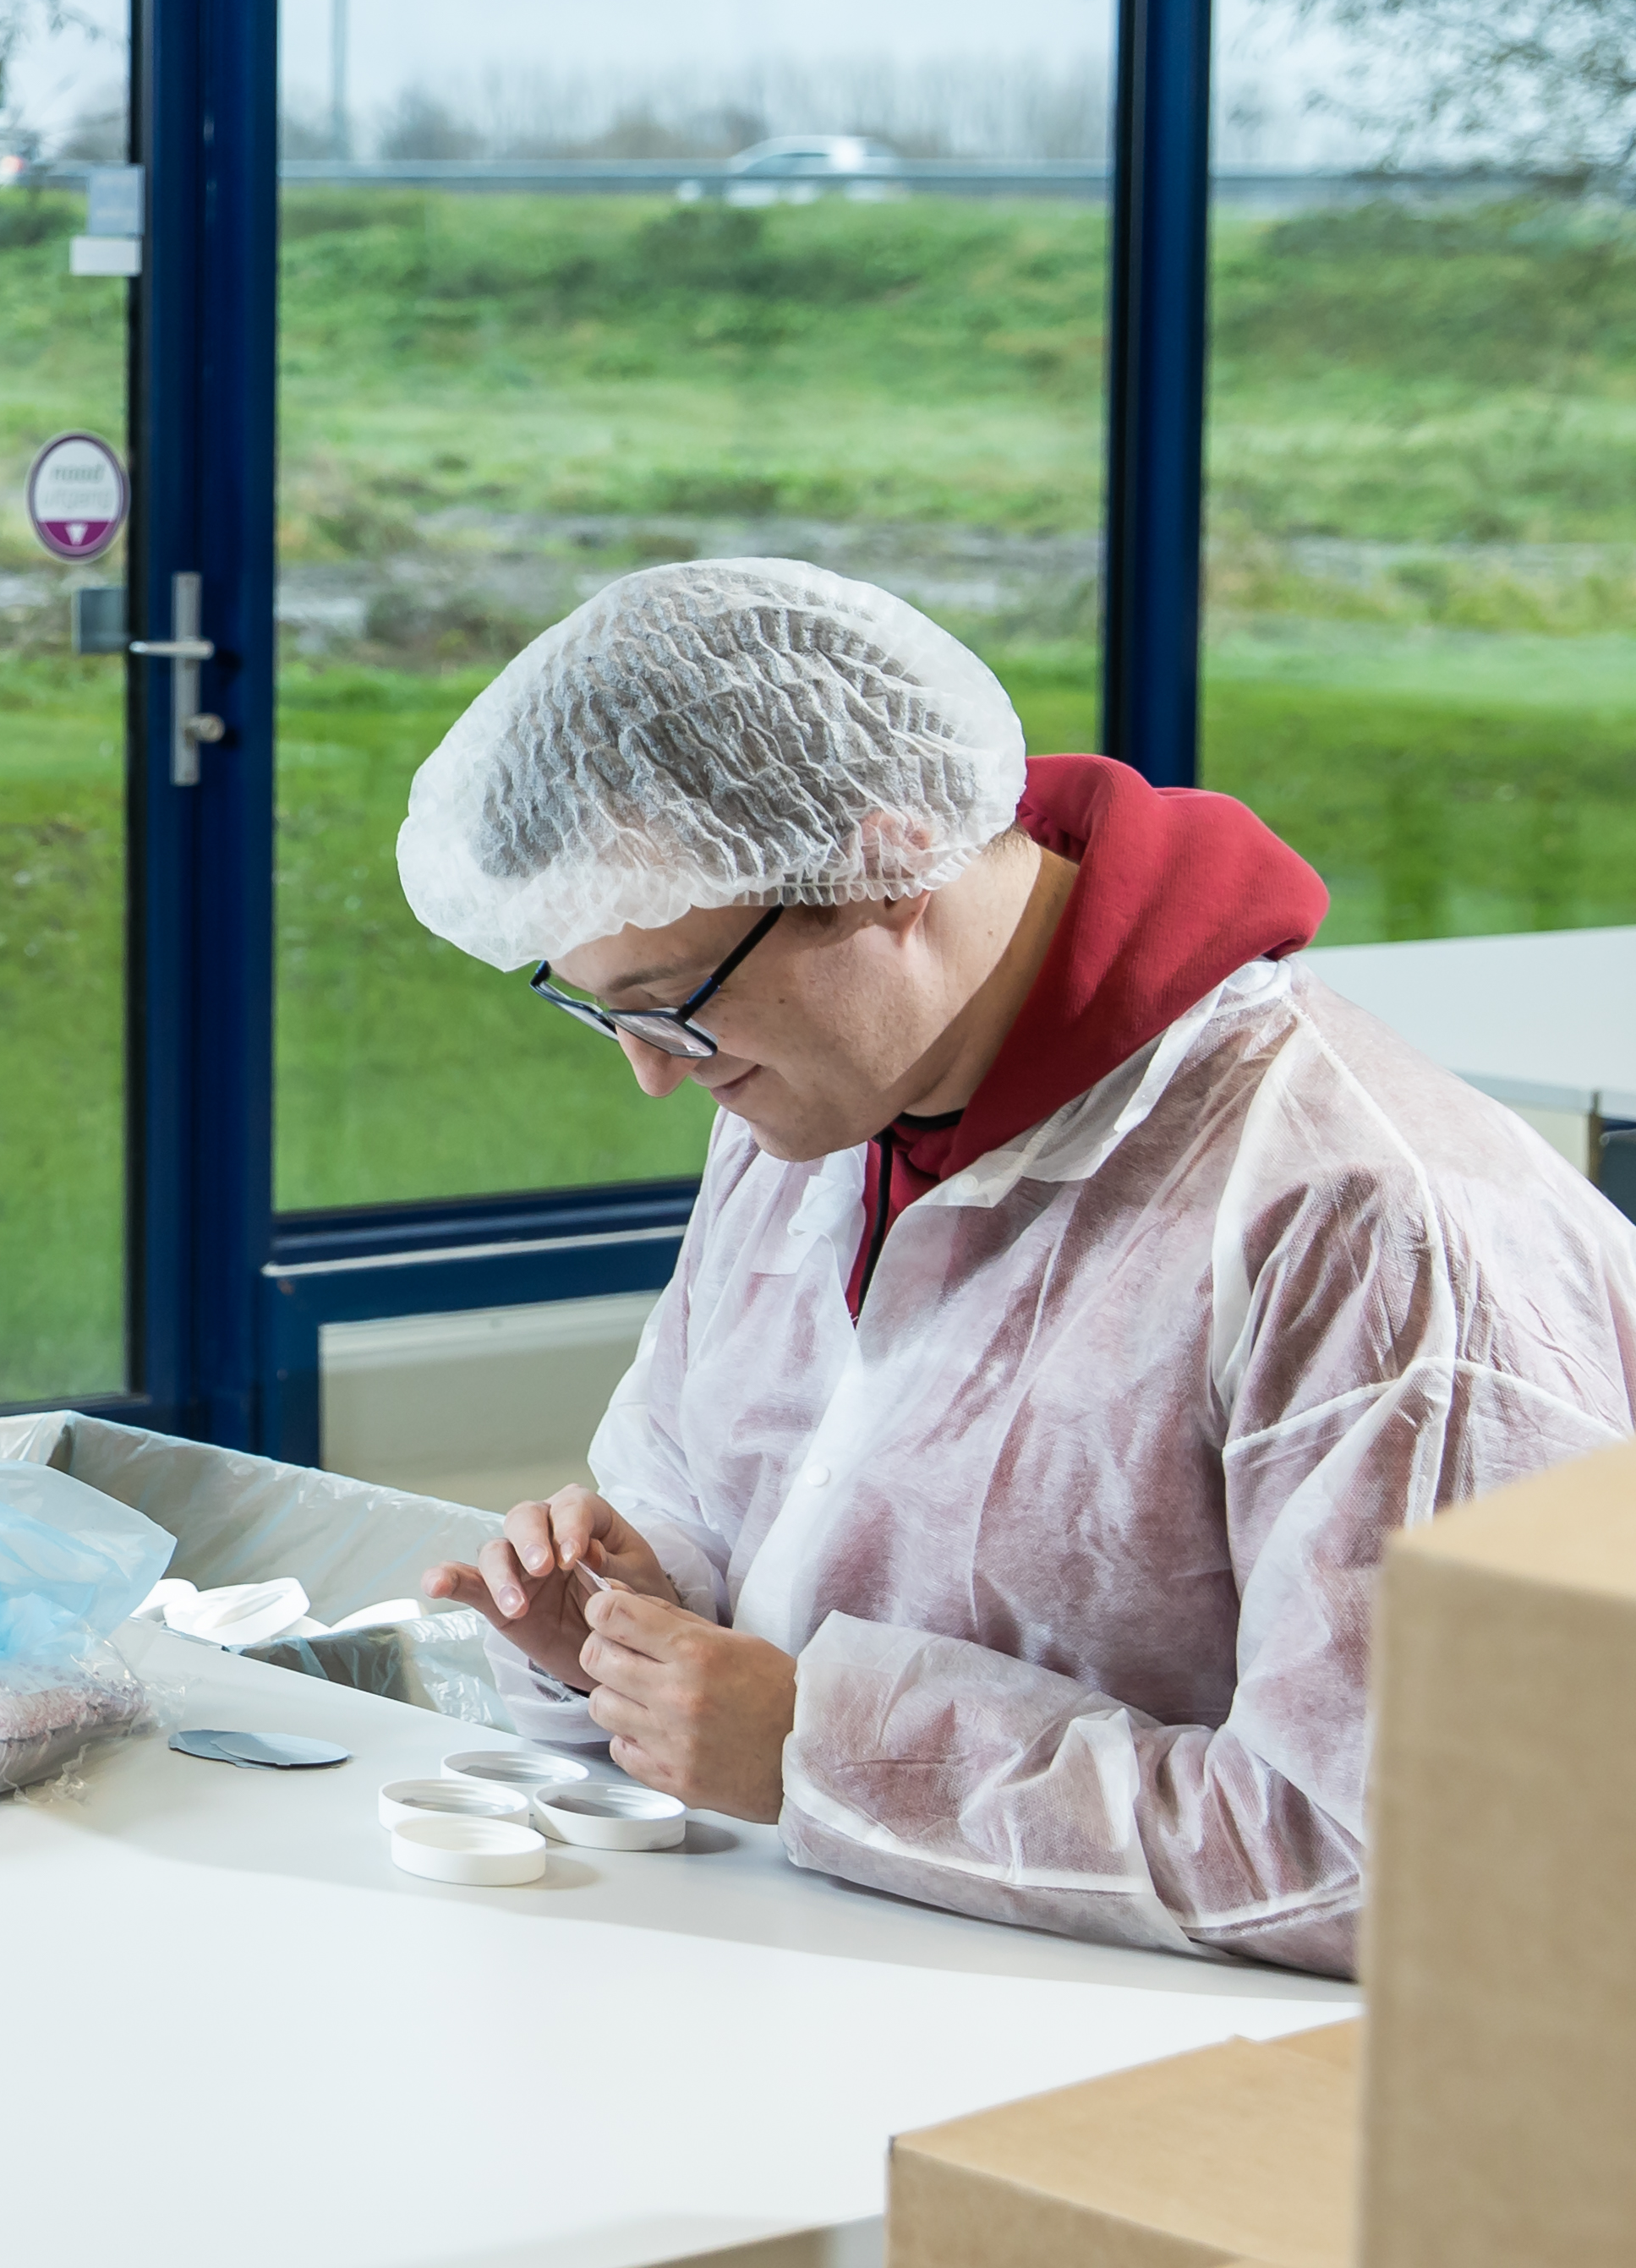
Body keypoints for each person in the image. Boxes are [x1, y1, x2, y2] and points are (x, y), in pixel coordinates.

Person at [395, 555, 1636, 1974]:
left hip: (1194, 2099)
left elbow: (1420, 1847)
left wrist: (818, 1747)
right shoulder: (821, 1094)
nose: (653, 1077)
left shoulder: (1361, 1216)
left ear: (882, 863)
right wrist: (620, 1626)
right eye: (600, 1007)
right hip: (826, 1975)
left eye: (669, 1000)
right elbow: (715, 1504)